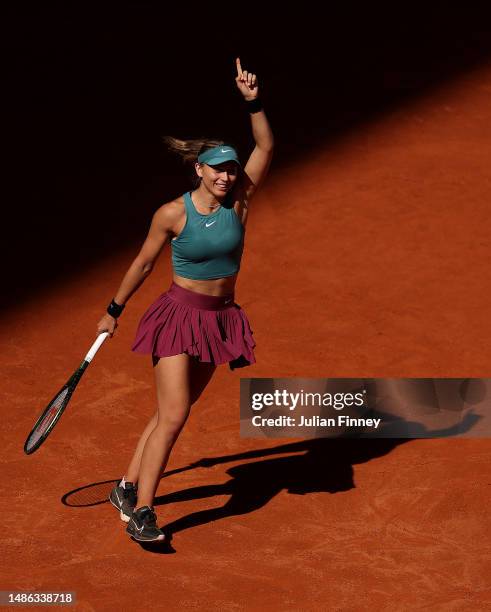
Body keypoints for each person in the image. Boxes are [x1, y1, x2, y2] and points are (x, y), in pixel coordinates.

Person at [99, 58, 274, 543]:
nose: (225, 176)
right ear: (199, 169)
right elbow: (142, 264)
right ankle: (144, 513)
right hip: (177, 318)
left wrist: (252, 101)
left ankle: (126, 487)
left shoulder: (241, 200)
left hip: (218, 321)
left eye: (231, 170)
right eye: (216, 170)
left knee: (170, 411)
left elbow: (266, 144)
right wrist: (113, 311)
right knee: (175, 415)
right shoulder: (172, 214)